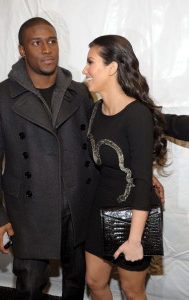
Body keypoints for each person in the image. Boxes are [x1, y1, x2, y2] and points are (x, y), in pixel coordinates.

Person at [0, 17, 98, 300]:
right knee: (30, 285)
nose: (47, 49)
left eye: (52, 41)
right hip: (29, 210)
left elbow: (98, 143)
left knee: (76, 282)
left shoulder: (79, 92)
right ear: (22, 50)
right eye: (37, 42)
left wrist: (135, 173)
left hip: (79, 204)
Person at [82, 35, 167, 300]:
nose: (84, 69)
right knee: (94, 282)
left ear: (112, 68)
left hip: (134, 215)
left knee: (131, 290)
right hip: (100, 207)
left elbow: (142, 181)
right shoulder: (95, 110)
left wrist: (134, 239)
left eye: (90, 62)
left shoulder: (137, 114)